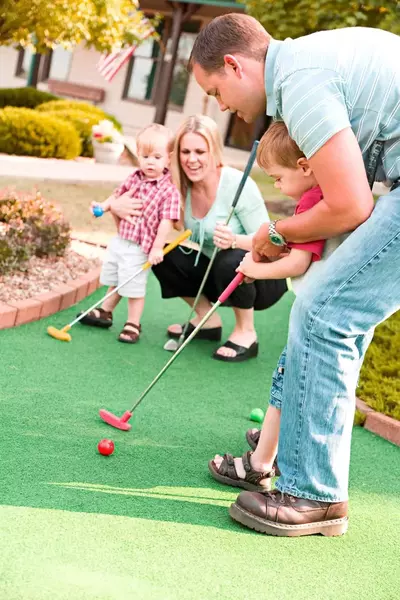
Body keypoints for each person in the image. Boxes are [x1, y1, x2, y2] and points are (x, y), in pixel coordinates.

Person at [190, 14, 400, 536]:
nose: (220, 107)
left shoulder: (300, 82)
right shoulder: (306, 65)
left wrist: (276, 232)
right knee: (337, 314)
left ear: (235, 65)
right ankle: (306, 467)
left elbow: (350, 205)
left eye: (215, 90)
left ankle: (313, 495)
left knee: (326, 310)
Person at [210, 121, 344, 493]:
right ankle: (275, 439)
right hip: (319, 302)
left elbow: (299, 264)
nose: (276, 186)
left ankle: (259, 466)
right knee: (291, 380)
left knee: (286, 380)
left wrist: (254, 267)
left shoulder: (315, 202)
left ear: (304, 166)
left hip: (317, 307)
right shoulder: (321, 196)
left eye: (278, 177)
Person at [152, 114, 288, 362]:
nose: (192, 160)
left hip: (259, 278)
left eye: (200, 152)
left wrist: (235, 240)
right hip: (213, 274)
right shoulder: (182, 186)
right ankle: (207, 321)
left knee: (230, 258)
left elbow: (273, 244)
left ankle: (246, 333)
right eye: (185, 152)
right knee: (161, 253)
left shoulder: (238, 184)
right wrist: (118, 206)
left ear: (213, 151)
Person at [80, 123, 181, 343]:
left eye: (156, 157)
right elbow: (117, 195)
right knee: (115, 278)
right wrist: (103, 207)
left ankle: (133, 323)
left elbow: (167, 221)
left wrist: (157, 247)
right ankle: (105, 311)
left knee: (133, 286)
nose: (150, 162)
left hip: (140, 246)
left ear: (168, 158)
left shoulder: (168, 189)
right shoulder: (134, 177)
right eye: (145, 156)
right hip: (121, 240)